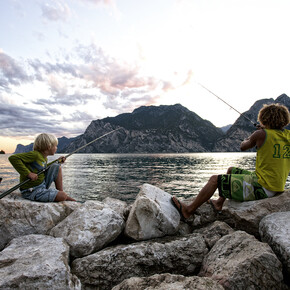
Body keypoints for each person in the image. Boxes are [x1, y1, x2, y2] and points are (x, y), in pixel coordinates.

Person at [172, 103, 290, 219]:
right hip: (276, 186)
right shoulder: (288, 135)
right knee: (231, 170)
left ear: (264, 118)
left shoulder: (261, 134)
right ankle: (219, 203)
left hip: (262, 187)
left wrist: (252, 136)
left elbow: (243, 146)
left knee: (214, 180)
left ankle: (188, 210)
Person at [9, 133, 76, 202]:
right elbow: (13, 158)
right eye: (55, 146)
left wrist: (57, 161)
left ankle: (60, 192)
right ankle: (62, 195)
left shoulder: (43, 158)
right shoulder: (35, 155)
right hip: (31, 191)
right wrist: (28, 173)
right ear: (49, 146)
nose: (56, 148)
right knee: (62, 196)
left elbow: (43, 168)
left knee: (56, 167)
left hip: (41, 185)